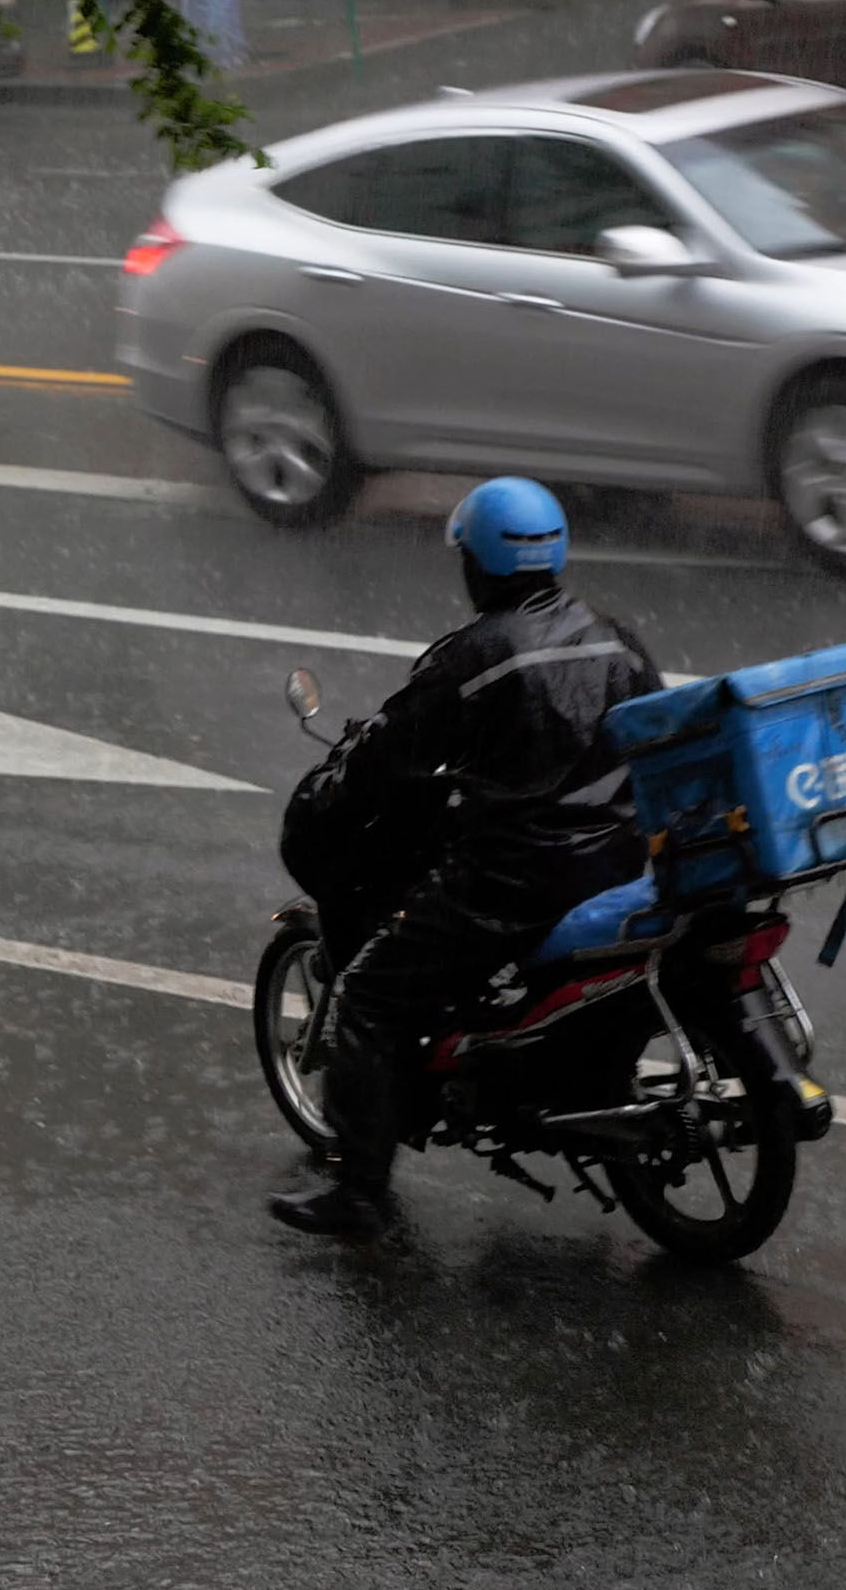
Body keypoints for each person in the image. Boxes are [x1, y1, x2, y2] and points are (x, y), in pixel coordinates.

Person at [270, 479, 661, 1240]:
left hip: (514, 883)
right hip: (617, 860)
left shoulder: (475, 658)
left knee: (368, 999)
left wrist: (328, 795)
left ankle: (360, 1195)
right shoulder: (616, 635)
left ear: (476, 562)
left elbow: (389, 753)